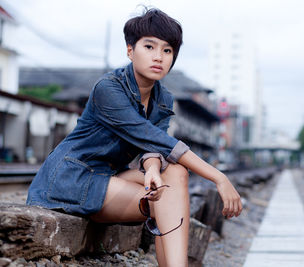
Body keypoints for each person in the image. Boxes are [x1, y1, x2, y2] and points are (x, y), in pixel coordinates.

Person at [26, 8, 242, 267]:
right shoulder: (108, 89)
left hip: (108, 177)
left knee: (174, 174)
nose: (158, 57)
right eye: (149, 47)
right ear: (130, 50)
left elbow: (154, 148)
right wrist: (218, 177)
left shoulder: (163, 98)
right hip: (70, 180)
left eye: (167, 50)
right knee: (167, 200)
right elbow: (151, 135)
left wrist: (152, 169)